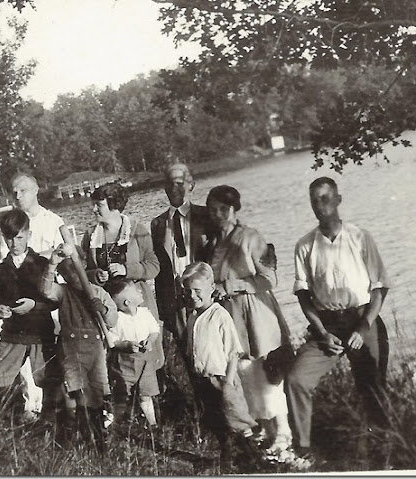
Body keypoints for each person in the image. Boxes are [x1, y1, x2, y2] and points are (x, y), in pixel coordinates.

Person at [286, 177, 390, 460]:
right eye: (314, 200)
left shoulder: (359, 237)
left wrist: (363, 327)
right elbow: (303, 294)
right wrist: (321, 332)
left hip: (362, 320)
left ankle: (386, 450)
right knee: (296, 379)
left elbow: (380, 287)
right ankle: (303, 453)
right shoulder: (305, 245)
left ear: (338, 200)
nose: (320, 206)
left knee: (372, 387)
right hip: (327, 325)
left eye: (325, 198)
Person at [204, 185, 297, 459]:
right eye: (213, 209)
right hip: (231, 317)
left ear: (235, 209)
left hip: (255, 313)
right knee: (245, 375)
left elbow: (270, 279)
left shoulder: (250, 237)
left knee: (267, 376)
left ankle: (284, 436)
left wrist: (231, 285)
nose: (218, 214)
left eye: (223, 208)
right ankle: (267, 436)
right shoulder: (212, 243)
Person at [0, 171, 66, 421]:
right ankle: (30, 405)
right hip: (18, 298)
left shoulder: (52, 221)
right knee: (22, 356)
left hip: (47, 295)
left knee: (50, 356)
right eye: (14, 191)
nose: (17, 195)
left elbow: (65, 253)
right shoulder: (9, 223)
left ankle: (56, 409)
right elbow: (3, 261)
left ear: (36, 190)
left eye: (23, 190)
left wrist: (38, 258)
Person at [40, 243, 118, 452]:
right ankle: (80, 436)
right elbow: (46, 290)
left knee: (98, 391)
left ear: (83, 264)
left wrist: (102, 310)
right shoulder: (63, 293)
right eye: (66, 272)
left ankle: (100, 437)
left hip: (94, 350)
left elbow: (113, 319)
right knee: (76, 392)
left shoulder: (97, 293)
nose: (72, 275)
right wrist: (52, 264)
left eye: (75, 269)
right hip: (70, 350)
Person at [181, 261, 259, 468]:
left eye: (197, 291)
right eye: (188, 291)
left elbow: (233, 351)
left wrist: (228, 382)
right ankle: (226, 456)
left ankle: (253, 455)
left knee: (235, 416)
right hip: (204, 378)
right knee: (215, 419)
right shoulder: (192, 317)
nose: (192, 296)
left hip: (222, 378)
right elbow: (194, 349)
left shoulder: (219, 315)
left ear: (211, 288)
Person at [82, 182, 163, 374]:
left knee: (146, 356)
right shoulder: (90, 236)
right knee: (117, 359)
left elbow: (154, 266)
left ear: (115, 205)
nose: (94, 210)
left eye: (99, 205)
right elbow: (84, 273)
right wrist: (95, 275)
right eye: (93, 204)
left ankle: (155, 397)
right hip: (109, 308)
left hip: (136, 305)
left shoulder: (137, 230)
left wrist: (126, 270)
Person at [0, 210, 59, 421]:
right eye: (9, 238)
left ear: (29, 234)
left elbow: (53, 301)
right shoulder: (0, 270)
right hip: (13, 335)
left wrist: (34, 305)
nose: (14, 243)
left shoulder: (42, 264)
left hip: (40, 333)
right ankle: (4, 422)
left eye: (19, 237)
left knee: (50, 380)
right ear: (3, 238)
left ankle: (51, 424)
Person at [151, 162, 211, 345]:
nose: (174, 188)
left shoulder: (206, 216)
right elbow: (160, 268)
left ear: (191, 185)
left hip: (203, 296)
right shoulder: (158, 224)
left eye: (179, 183)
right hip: (175, 300)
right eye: (170, 183)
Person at [104, 279, 160, 430]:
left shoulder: (144, 313)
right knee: (122, 393)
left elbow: (154, 330)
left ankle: (152, 424)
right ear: (128, 302)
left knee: (145, 393)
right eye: (136, 291)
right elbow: (113, 340)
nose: (140, 291)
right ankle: (119, 423)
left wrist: (150, 341)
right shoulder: (117, 319)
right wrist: (126, 345)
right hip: (124, 361)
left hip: (144, 361)